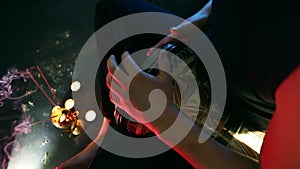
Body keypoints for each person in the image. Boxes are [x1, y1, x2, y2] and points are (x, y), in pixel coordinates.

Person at [57, 0, 300, 168]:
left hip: (226, 112)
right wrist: (204, 15)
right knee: (113, 9)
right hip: (210, 39)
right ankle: (105, 135)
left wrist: (164, 119)